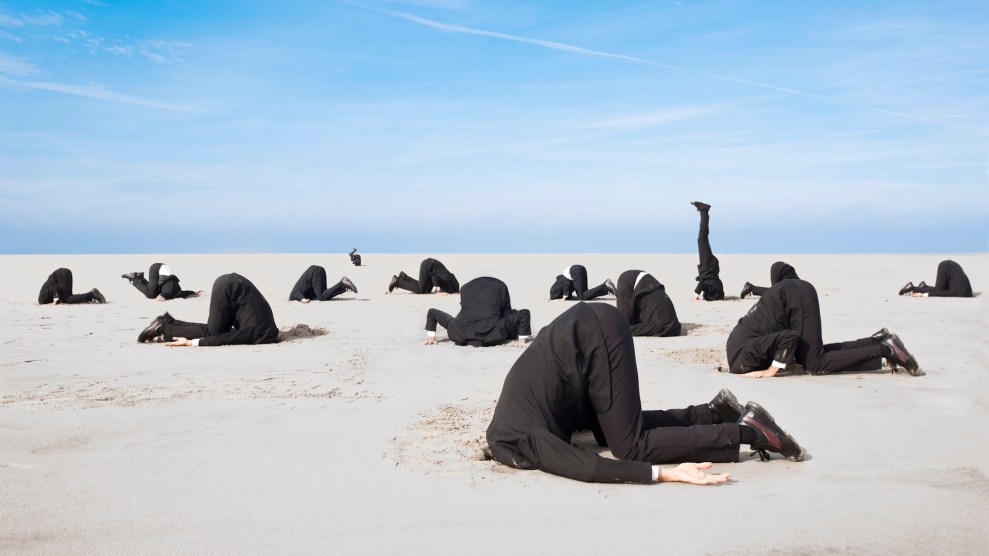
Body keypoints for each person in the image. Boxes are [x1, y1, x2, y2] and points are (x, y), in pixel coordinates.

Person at [486, 302, 805, 484]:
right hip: (581, 334)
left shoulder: (525, 440)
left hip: (595, 337)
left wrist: (665, 474)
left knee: (630, 446)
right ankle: (713, 412)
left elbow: (587, 467)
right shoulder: (511, 419)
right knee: (610, 432)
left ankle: (750, 431)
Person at [726, 279, 923, 377]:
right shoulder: (739, 355)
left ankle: (886, 349)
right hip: (791, 294)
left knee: (815, 364)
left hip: (795, 298)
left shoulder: (746, 359)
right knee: (808, 355)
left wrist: (771, 370)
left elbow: (789, 337)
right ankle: (876, 341)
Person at [137, 273, 278, 347]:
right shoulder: (259, 334)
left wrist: (193, 341)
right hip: (229, 288)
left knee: (216, 328)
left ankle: (168, 322)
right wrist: (193, 342)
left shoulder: (268, 330)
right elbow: (226, 339)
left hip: (234, 283)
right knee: (213, 333)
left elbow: (232, 335)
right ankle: (163, 328)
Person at [425, 277, 531, 347]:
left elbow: (432, 313)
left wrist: (431, 337)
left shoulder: (455, 327)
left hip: (461, 333)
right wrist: (521, 339)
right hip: (492, 334)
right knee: (509, 317)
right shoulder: (500, 325)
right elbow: (524, 313)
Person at [616, 270, 681, 337]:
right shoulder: (668, 327)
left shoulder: (668, 327)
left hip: (644, 281)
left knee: (623, 326)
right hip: (634, 280)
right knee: (623, 325)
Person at [691, 201, 725, 301]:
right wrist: (696, 294)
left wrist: (700, 280)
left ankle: (704, 211)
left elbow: (705, 282)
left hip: (711, 267)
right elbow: (703, 283)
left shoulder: (717, 290)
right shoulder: (712, 289)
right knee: (702, 238)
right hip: (708, 266)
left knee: (702, 238)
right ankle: (704, 210)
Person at [122, 263, 201, 301]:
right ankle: (134, 279)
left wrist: (194, 292)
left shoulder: (178, 292)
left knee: (154, 292)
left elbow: (185, 293)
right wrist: (160, 297)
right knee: (151, 295)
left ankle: (140, 277)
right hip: (156, 269)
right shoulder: (169, 292)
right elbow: (166, 293)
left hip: (164, 269)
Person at [898, 260, 973, 298]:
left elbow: (944, 292)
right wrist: (924, 295)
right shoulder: (960, 293)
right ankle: (911, 288)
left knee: (940, 289)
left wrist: (924, 294)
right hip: (946, 267)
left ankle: (924, 287)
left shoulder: (963, 292)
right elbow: (941, 293)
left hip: (952, 266)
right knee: (939, 290)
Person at [388, 258, 459, 294]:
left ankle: (404, 277)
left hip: (432, 267)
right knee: (421, 290)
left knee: (426, 289)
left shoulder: (455, 284)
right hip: (428, 266)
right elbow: (435, 279)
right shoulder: (449, 287)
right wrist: (436, 289)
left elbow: (451, 275)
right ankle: (397, 281)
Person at [288, 265, 357, 303]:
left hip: (314, 273)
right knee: (324, 294)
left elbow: (296, 293)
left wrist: (302, 299)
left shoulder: (292, 297)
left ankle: (342, 284)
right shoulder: (305, 292)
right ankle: (344, 287)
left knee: (321, 297)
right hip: (318, 271)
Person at [38, 268, 106, 305]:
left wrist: (55, 301)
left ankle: (92, 294)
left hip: (60, 275)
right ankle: (90, 297)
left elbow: (54, 288)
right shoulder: (45, 299)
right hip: (64, 273)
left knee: (66, 299)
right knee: (69, 298)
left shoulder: (42, 299)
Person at [548, 264, 616, 300]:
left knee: (582, 297)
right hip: (578, 270)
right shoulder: (560, 280)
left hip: (575, 271)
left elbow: (567, 283)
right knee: (586, 295)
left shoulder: (562, 281)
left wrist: (564, 296)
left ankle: (605, 286)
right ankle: (606, 288)